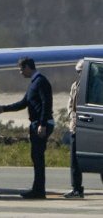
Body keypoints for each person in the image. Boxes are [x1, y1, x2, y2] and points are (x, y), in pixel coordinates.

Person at [1, 57, 54, 199]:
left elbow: (46, 103)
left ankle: (39, 191)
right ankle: (37, 189)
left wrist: (42, 124)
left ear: (28, 67)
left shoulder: (41, 82)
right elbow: (23, 103)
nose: (20, 72)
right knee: (36, 157)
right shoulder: (33, 83)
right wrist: (3, 109)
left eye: (21, 69)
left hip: (41, 124)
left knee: (38, 156)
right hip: (36, 124)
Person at [64, 59, 85, 198]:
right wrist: (72, 116)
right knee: (74, 160)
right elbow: (70, 104)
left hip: (89, 126)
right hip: (76, 126)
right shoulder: (75, 86)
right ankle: (76, 188)